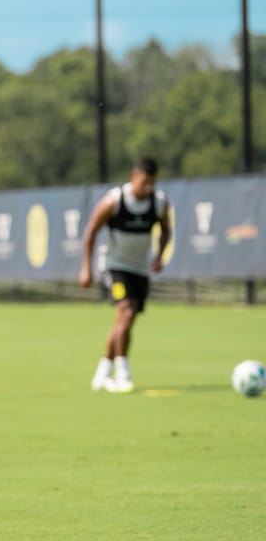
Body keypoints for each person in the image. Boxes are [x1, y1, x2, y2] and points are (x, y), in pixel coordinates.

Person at [78, 157, 172, 393]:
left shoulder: (159, 203)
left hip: (140, 269)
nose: (148, 188)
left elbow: (165, 230)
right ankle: (123, 373)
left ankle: (102, 372)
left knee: (124, 321)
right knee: (126, 311)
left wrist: (159, 256)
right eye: (144, 182)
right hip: (115, 266)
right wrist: (86, 268)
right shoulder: (114, 201)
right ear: (133, 177)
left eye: (152, 183)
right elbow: (91, 232)